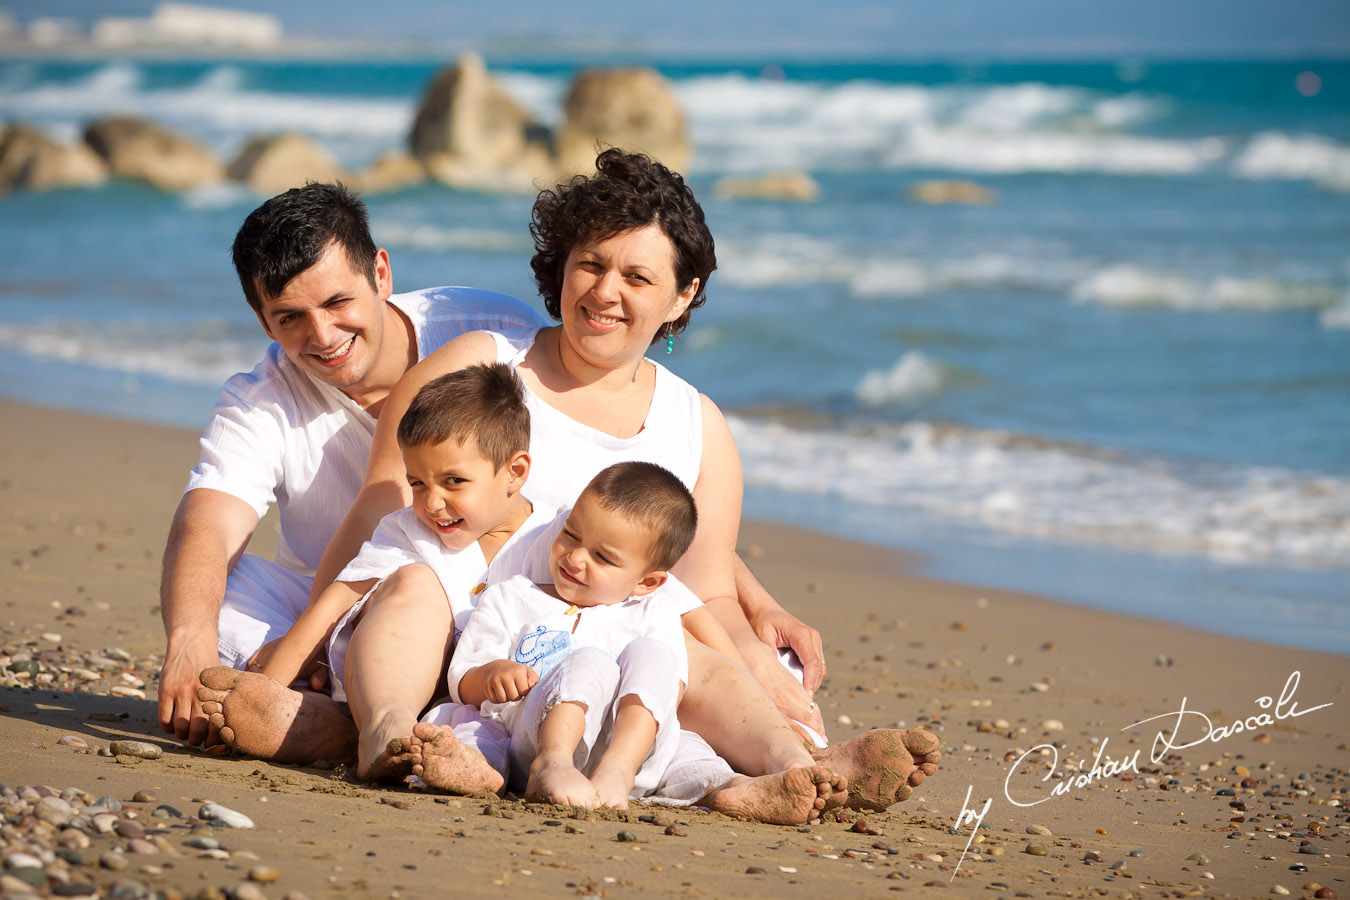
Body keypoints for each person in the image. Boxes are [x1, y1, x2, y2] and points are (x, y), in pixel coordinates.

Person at [203, 149, 938, 810]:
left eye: (638, 276)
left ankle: (800, 763)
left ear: (682, 296)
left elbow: (701, 585)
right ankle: (375, 728)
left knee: (695, 658)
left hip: (593, 647)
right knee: (413, 595)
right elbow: (384, 505)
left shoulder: (698, 424)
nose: (604, 291)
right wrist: (307, 651)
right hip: (457, 633)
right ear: (561, 266)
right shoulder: (484, 362)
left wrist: (764, 674)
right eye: (591, 264)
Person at [158, 182, 545, 751]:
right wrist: (190, 639)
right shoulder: (261, 398)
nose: (322, 336)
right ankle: (358, 709)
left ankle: (331, 720)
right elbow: (210, 520)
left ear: (381, 275)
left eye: (338, 303)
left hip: (491, 604)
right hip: (327, 607)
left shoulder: (486, 330)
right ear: (263, 321)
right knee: (214, 589)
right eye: (289, 317)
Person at [441, 461, 845, 824]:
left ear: (646, 581)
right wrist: (492, 673)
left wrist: (626, 757)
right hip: (538, 740)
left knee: (680, 725)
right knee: (587, 664)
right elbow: (463, 678)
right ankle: (552, 765)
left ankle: (731, 789)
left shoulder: (653, 611)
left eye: (602, 557)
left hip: (635, 754)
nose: (575, 557)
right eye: (570, 534)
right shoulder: (514, 597)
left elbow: (671, 688)